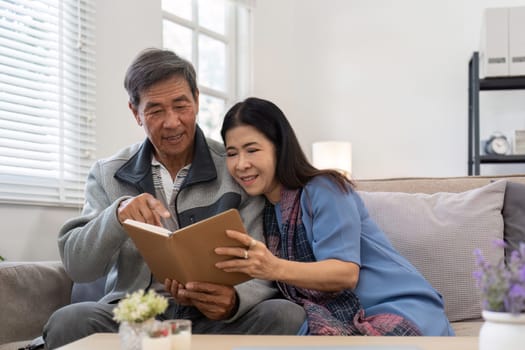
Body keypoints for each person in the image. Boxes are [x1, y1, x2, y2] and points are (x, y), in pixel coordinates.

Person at [43, 50, 305, 349]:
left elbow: (262, 259)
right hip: (138, 323)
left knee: (286, 315)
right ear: (135, 112)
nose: (172, 122)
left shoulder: (236, 167)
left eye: (181, 105)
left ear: (196, 99)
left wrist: (234, 301)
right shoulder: (107, 174)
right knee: (68, 321)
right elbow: (79, 267)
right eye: (155, 110)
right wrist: (117, 216)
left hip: (215, 323)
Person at [215, 97, 455, 336]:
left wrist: (272, 266)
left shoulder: (324, 188)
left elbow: (345, 273)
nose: (241, 164)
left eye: (252, 150)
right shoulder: (261, 210)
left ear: (280, 147)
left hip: (400, 307)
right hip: (332, 317)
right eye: (232, 153)